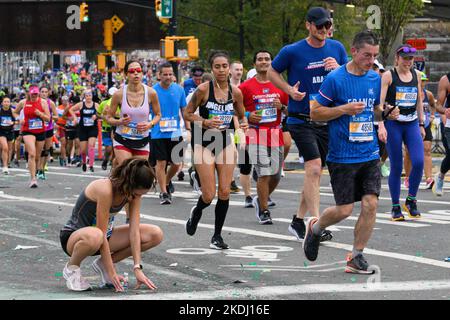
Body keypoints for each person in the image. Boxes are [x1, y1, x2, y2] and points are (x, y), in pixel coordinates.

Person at [303, 30, 399, 273]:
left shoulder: (374, 78)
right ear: (354, 51)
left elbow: (374, 110)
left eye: (375, 56)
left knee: (370, 204)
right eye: (367, 55)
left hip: (369, 153)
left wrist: (384, 115)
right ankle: (315, 228)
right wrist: (343, 109)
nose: (371, 60)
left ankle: (356, 256)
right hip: (342, 155)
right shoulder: (335, 79)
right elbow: (315, 112)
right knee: (344, 210)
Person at [268, 6, 347, 241]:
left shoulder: (337, 48)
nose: (324, 30)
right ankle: (316, 224)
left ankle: (297, 221)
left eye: (327, 26)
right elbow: (273, 71)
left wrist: (339, 69)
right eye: (319, 25)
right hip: (301, 119)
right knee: (313, 168)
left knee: (314, 173)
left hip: (327, 118)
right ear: (308, 25)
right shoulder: (292, 51)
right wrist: (289, 90)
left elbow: (349, 77)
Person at [60, 157, 163, 292]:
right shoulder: (105, 189)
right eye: (136, 194)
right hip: (75, 239)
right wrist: (112, 272)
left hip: (102, 239)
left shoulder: (133, 195)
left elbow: (134, 231)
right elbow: (101, 233)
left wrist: (137, 267)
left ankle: (103, 264)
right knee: (96, 234)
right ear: (128, 184)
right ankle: (72, 268)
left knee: (155, 234)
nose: (137, 197)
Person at [184, 50, 248, 249]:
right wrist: (205, 121)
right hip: (202, 142)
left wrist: (243, 125)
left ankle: (217, 236)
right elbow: (187, 114)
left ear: (229, 68)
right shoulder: (203, 90)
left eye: (224, 66)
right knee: (209, 194)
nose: (221, 70)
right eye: (217, 66)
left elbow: (242, 114)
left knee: (225, 191)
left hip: (224, 141)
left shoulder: (235, 92)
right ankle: (197, 211)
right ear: (212, 69)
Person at [240, 50, 289, 224]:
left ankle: (261, 199)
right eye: (260, 59)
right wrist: (247, 114)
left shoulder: (281, 84)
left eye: (267, 59)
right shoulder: (245, 87)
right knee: (264, 173)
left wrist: (282, 106)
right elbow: (233, 107)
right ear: (254, 64)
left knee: (275, 174)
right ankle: (264, 210)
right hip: (255, 132)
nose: (264, 62)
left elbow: (291, 110)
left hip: (275, 132)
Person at [380, 44, 425, 221]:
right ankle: (395, 206)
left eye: (411, 59)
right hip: (394, 124)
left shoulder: (417, 75)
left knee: (419, 162)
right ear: (397, 59)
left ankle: (411, 200)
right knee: (397, 166)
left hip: (412, 123)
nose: (408, 62)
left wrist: (422, 124)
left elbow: (419, 102)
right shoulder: (388, 76)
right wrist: (384, 117)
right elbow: (379, 103)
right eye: (405, 58)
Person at [150, 63, 187, 205]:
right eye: (165, 74)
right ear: (159, 75)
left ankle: (165, 181)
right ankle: (164, 192)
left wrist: (188, 127)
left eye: (170, 74)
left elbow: (183, 109)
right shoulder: (153, 91)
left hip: (175, 131)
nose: (168, 77)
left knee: (177, 163)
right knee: (161, 163)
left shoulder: (179, 90)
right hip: (158, 133)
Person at [13, 85, 51, 188]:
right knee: (32, 154)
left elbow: (48, 119)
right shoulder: (23, 102)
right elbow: (15, 112)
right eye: (32, 94)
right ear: (29, 93)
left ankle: (35, 170)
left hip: (40, 131)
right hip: (27, 131)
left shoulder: (43, 103)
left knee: (37, 157)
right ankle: (33, 179)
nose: (34, 96)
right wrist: (19, 119)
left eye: (36, 94)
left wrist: (40, 114)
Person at [404, 72, 436, 190]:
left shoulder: (429, 94)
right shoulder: (409, 92)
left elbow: (433, 105)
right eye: (420, 80)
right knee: (408, 151)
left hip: (425, 124)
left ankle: (429, 178)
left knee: (427, 150)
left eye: (424, 80)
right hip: (411, 124)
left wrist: (432, 115)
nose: (422, 83)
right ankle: (408, 177)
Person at [70, 89, 100, 173]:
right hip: (82, 129)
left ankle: (91, 165)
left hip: (92, 128)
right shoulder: (81, 104)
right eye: (86, 96)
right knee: (83, 150)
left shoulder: (96, 105)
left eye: (90, 95)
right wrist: (75, 118)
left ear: (92, 96)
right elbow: (71, 110)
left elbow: (102, 113)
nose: (88, 97)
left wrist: (96, 116)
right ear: (84, 97)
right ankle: (84, 162)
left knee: (91, 146)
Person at [372, 60, 390, 177]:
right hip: (366, 122)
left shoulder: (384, 84)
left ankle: (381, 163)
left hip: (381, 121)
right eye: (374, 68)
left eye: (378, 69)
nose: (377, 72)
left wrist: (389, 109)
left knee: (385, 147)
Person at [433, 73, 450, 196]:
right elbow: (438, 105)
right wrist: (445, 111)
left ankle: (440, 175)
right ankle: (440, 177)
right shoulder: (446, 80)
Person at [37, 86, 58, 180]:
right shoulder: (36, 102)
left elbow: (57, 116)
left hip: (48, 128)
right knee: (39, 150)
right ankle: (38, 168)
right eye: (42, 91)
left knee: (46, 149)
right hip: (38, 128)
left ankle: (42, 168)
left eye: (46, 92)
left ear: (48, 93)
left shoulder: (51, 103)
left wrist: (49, 117)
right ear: (39, 93)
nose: (44, 93)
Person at [97, 87, 119, 170]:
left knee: (115, 148)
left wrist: (115, 115)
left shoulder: (119, 104)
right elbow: (98, 114)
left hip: (116, 128)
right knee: (109, 148)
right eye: (112, 95)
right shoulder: (104, 103)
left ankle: (113, 164)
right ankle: (105, 160)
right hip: (106, 129)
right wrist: (103, 116)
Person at [0, 96, 15, 174]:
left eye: (8, 102)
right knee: (5, 147)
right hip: (1, 131)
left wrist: (13, 122)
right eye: (5, 101)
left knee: (9, 149)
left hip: (10, 131)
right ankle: (5, 167)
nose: (6, 103)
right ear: (2, 103)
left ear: (10, 103)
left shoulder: (12, 111)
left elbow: (18, 120)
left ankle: (6, 162)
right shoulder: (0, 110)